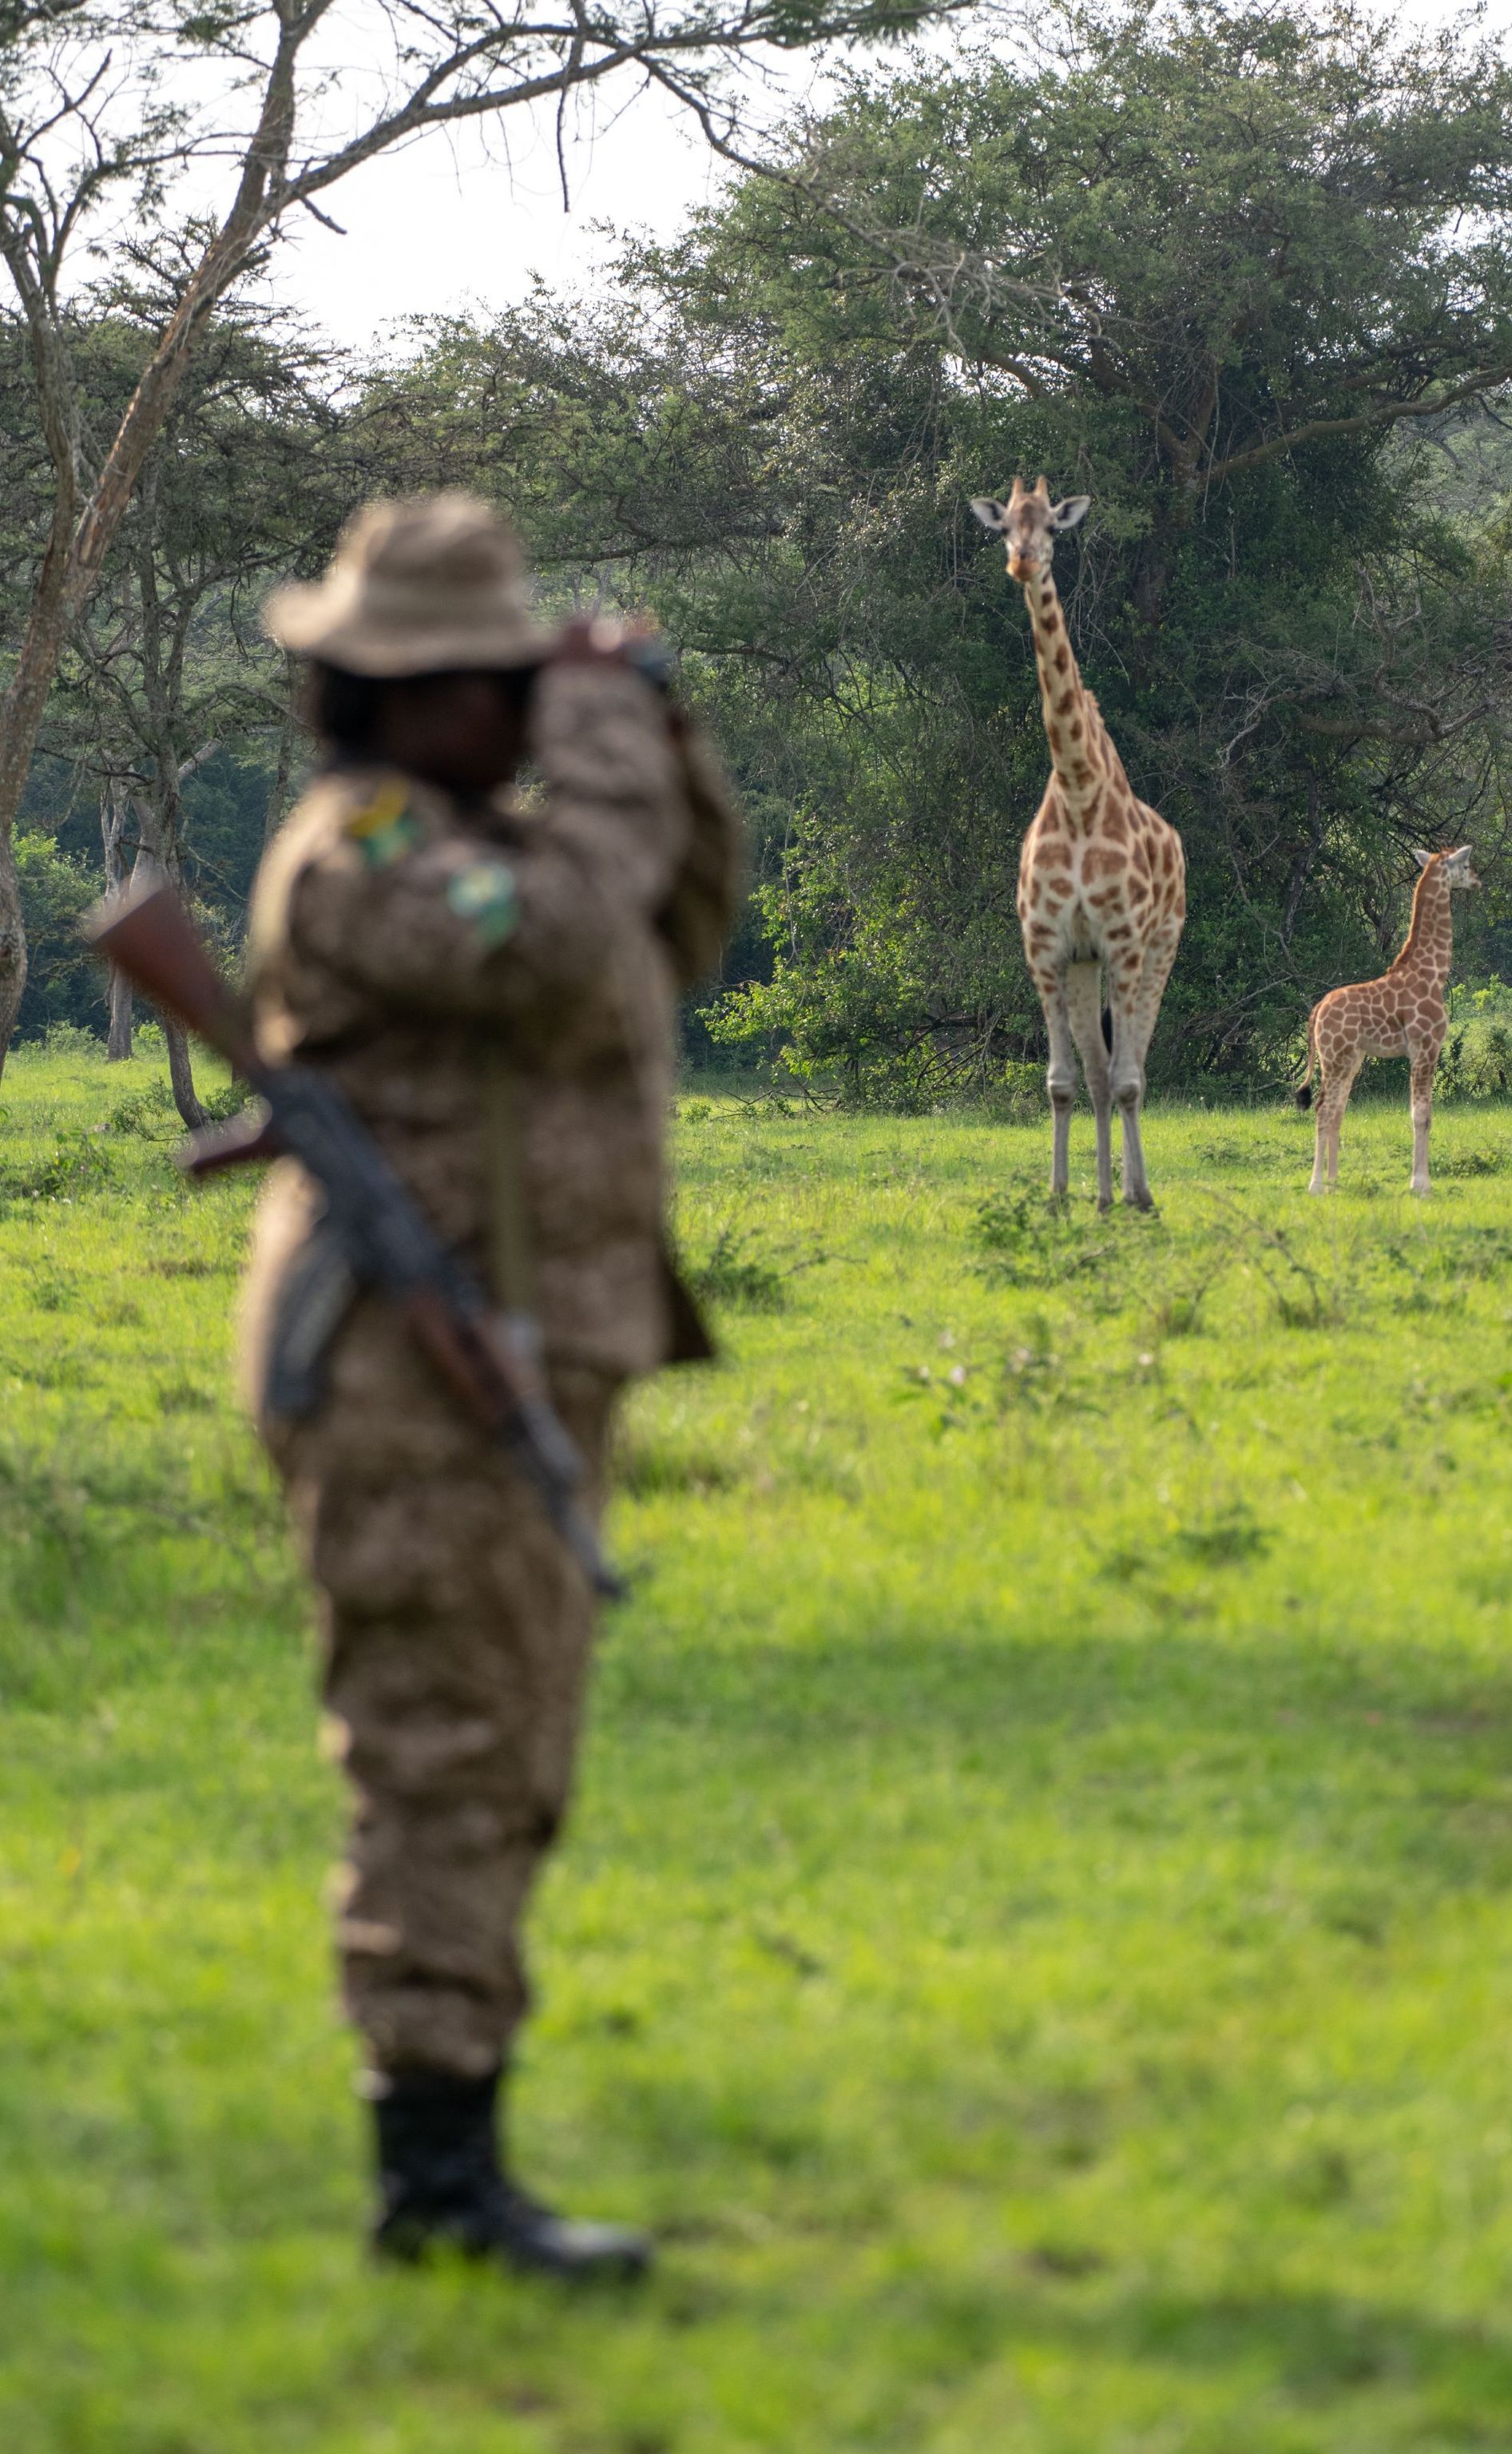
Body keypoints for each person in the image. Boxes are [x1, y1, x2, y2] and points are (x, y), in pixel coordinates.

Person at [240, 494, 740, 2279]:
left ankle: (460, 2153)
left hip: (508, 1358)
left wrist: (653, 730)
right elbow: (550, 942)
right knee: (444, 1755)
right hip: (402, 1373)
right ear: (414, 694)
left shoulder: (488, 838)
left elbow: (668, 920)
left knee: (512, 1752)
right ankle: (434, 2187)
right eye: (509, 677)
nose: (537, 704)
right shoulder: (370, 846)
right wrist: (604, 730)